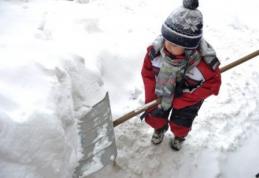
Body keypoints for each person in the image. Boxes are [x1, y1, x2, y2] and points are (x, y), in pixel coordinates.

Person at [141, 0, 221, 151]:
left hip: (186, 99)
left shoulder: (203, 64)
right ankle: (159, 128)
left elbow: (213, 85)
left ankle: (179, 136)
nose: (169, 45)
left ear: (189, 46)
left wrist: (184, 100)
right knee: (156, 114)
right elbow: (147, 73)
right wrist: (152, 93)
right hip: (161, 92)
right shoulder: (155, 54)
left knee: (182, 122)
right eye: (167, 39)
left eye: (176, 44)